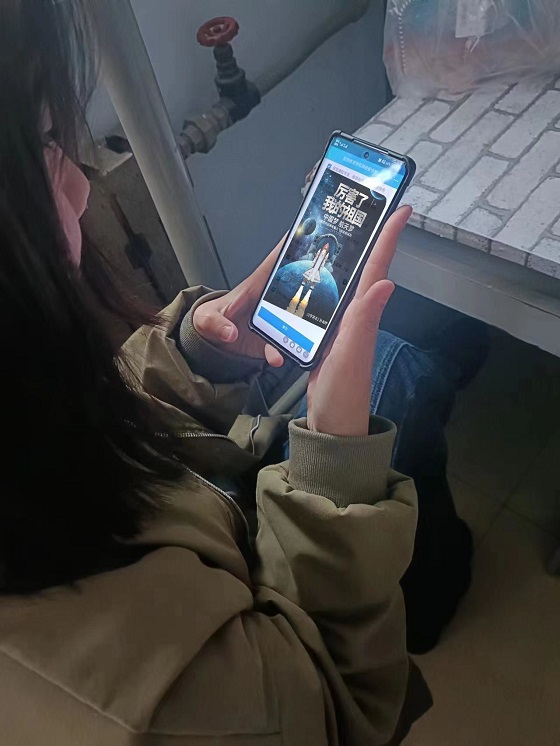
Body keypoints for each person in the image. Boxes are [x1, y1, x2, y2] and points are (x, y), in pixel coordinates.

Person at [0, 1, 484, 743]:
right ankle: (438, 590)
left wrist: (196, 348)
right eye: (44, 146)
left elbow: (85, 413)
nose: (81, 189)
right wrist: (335, 457)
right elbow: (335, 710)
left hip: (217, 518)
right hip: (291, 607)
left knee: (406, 366)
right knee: (404, 376)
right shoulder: (149, 708)